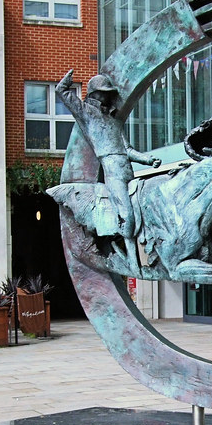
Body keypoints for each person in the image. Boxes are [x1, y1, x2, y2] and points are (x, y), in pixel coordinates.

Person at [56, 70, 161, 273]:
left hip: (127, 170)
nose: (106, 97)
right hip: (112, 171)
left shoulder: (114, 122)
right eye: (103, 93)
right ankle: (133, 262)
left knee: (143, 210)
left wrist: (147, 159)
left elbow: (127, 149)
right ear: (94, 94)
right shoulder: (87, 113)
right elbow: (64, 94)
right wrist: (65, 83)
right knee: (127, 217)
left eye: (108, 93)